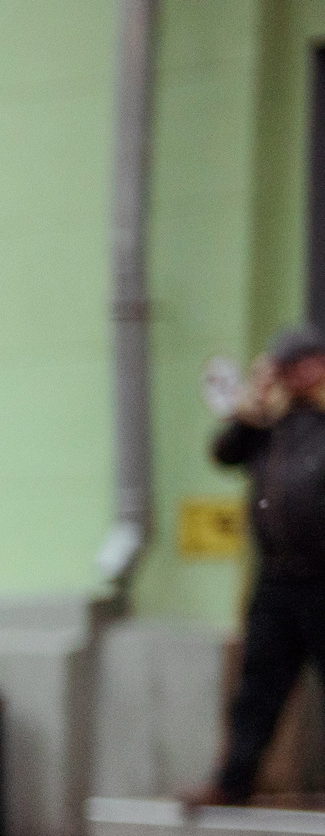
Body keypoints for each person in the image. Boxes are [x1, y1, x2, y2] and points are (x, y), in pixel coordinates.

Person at [185, 324, 325, 807]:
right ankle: (233, 782)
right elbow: (224, 453)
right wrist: (255, 401)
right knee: (257, 688)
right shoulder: (269, 425)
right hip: (277, 579)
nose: (299, 374)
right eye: (288, 366)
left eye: (305, 363)